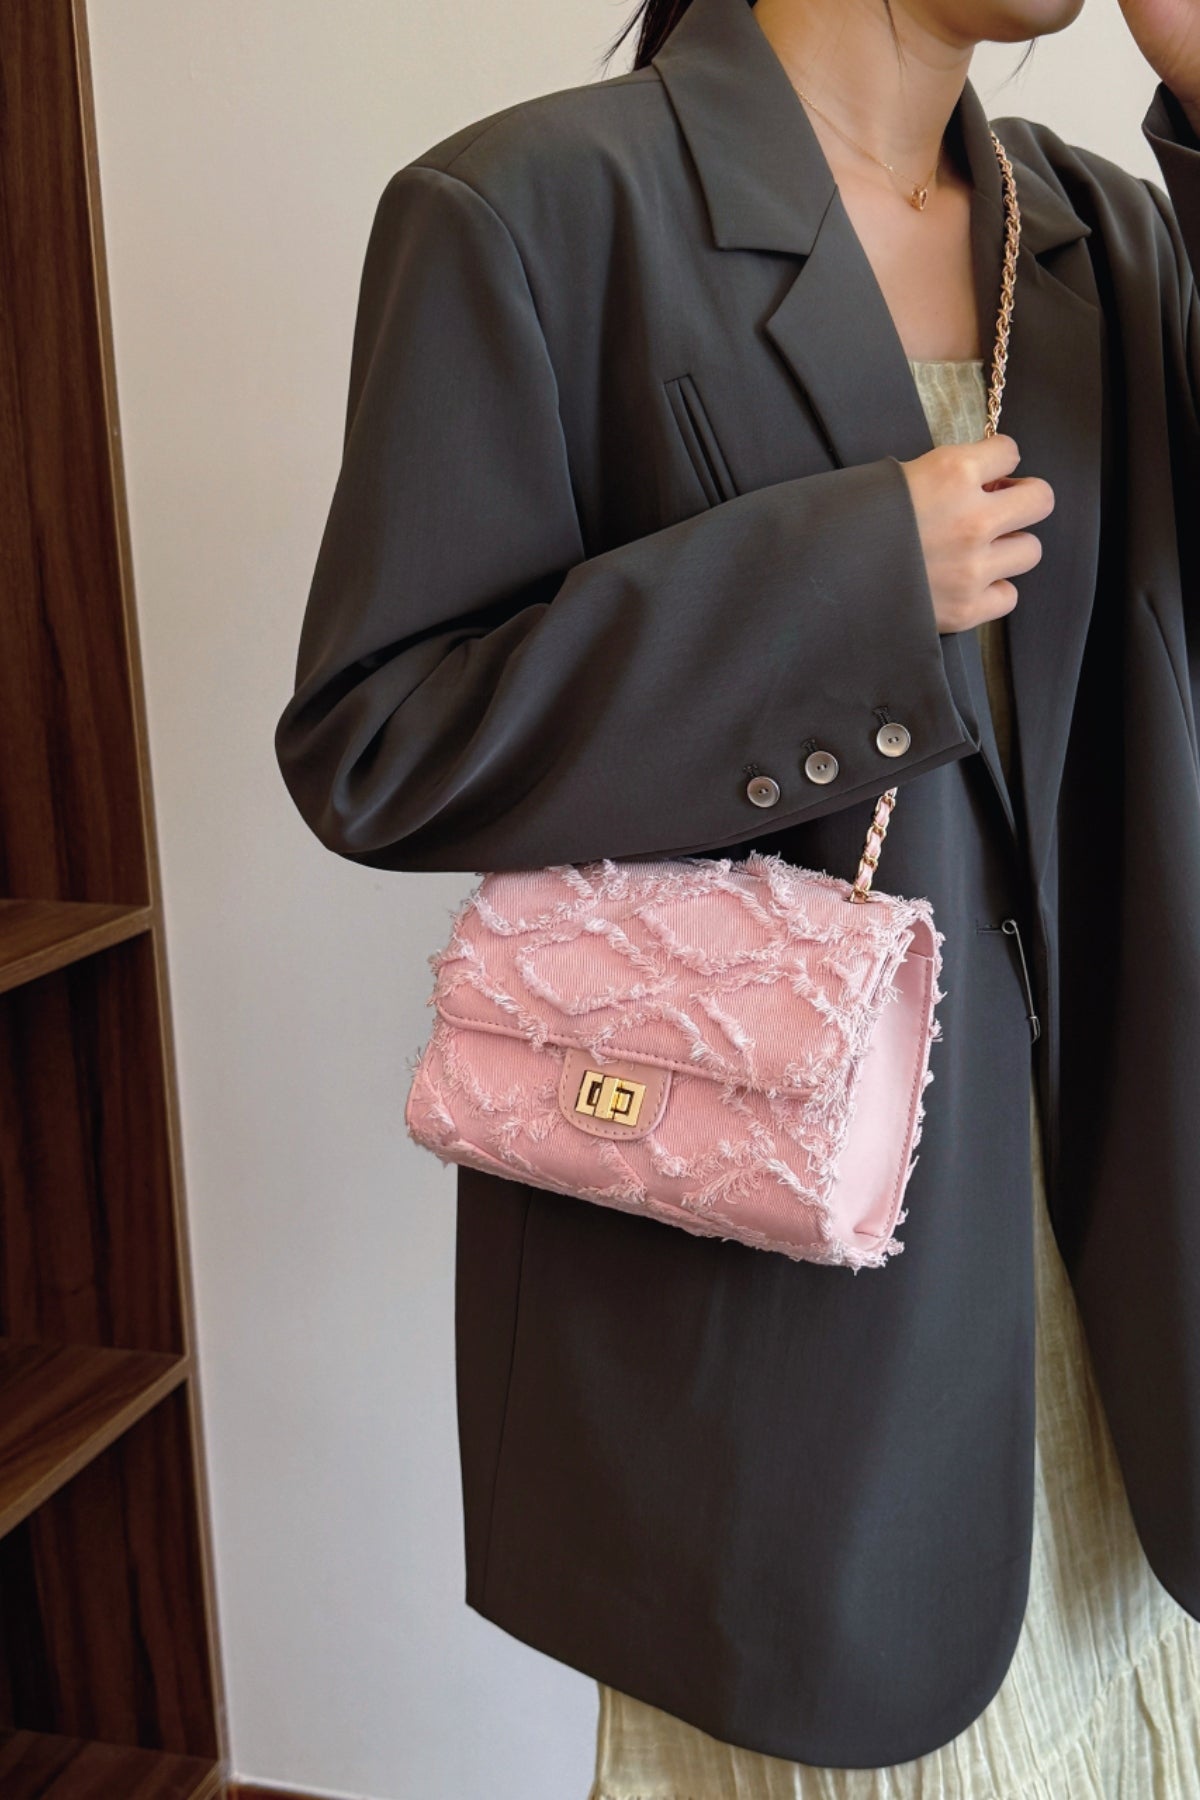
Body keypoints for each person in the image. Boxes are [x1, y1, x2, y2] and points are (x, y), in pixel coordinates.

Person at [274, 0, 1200, 1786]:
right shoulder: (530, 212)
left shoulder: (1109, 236)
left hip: (1125, 1300)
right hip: (796, 1335)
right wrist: (845, 590)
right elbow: (380, 742)